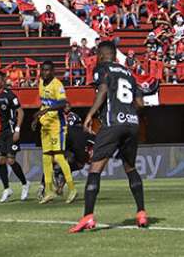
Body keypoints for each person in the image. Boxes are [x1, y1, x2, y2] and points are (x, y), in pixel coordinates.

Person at [69, 41, 148, 233]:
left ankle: (87, 217)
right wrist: (127, 112)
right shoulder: (129, 73)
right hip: (131, 123)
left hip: (113, 124)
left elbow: (103, 90)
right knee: (130, 169)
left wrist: (90, 115)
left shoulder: (102, 68)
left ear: (102, 55)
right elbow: (140, 103)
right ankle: (141, 213)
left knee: (95, 169)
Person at [32, 61, 77, 204]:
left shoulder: (57, 85)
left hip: (57, 125)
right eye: (42, 70)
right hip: (45, 124)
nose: (44, 73)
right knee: (46, 158)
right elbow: (44, 103)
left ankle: (72, 188)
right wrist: (38, 117)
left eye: (47, 70)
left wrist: (46, 110)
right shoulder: (40, 82)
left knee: (58, 157)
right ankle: (49, 191)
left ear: (53, 71)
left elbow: (63, 103)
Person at [0, 71, 30, 203]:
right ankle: (6, 189)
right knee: (0, 160)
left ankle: (25, 184)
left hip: (10, 131)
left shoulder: (9, 95)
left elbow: (20, 112)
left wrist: (17, 129)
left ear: (2, 81)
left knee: (11, 160)